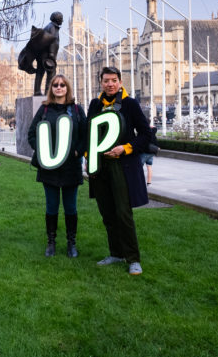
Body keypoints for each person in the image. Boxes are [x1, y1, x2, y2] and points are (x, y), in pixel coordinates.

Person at [88, 67, 150, 275]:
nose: (110, 84)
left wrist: (125, 148)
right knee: (107, 213)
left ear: (120, 82)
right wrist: (89, 158)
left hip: (122, 166)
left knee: (123, 213)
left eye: (114, 80)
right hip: (100, 168)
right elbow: (88, 134)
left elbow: (145, 134)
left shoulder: (130, 104)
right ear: (101, 82)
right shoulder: (95, 105)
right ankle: (116, 253)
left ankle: (133, 258)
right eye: (106, 80)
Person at [28, 74, 87, 258]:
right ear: (51, 88)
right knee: (51, 206)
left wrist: (77, 152)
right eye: (55, 85)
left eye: (62, 85)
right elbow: (31, 134)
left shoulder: (77, 110)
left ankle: (71, 243)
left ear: (67, 88)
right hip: (50, 168)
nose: (59, 88)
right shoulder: (44, 110)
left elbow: (85, 136)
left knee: (71, 207)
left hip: (71, 167)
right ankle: (51, 242)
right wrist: (43, 153)